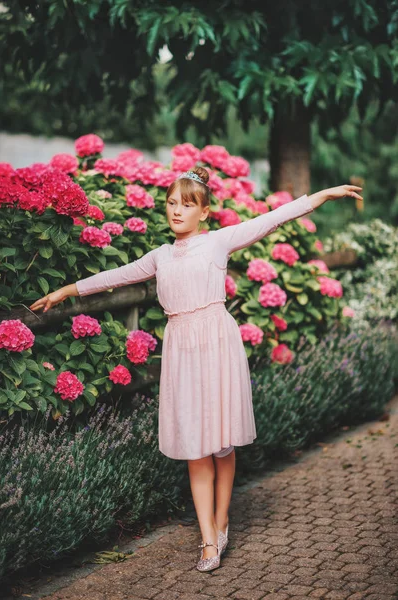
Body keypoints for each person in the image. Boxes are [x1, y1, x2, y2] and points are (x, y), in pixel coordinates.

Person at [29, 167, 363, 572]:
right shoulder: (160, 256)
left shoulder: (218, 242)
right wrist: (66, 290)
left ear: (204, 212)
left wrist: (324, 194)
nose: (177, 211)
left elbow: (273, 218)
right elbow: (114, 276)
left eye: (187, 205)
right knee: (196, 445)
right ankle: (208, 539)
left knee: (223, 444)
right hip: (182, 349)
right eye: (172, 203)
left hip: (218, 342)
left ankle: (222, 520)